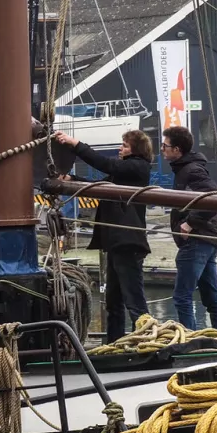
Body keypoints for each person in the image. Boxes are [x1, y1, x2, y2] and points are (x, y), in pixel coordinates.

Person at [54, 128, 153, 342]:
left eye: (125, 145)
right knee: (114, 300)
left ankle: (148, 339)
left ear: (136, 150)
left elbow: (105, 164)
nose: (120, 148)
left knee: (133, 298)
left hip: (127, 241)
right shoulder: (124, 172)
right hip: (117, 242)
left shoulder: (137, 167)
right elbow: (99, 186)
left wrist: (75, 143)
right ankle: (114, 342)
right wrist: (72, 179)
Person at [162, 125, 217, 332]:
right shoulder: (186, 168)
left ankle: (189, 342)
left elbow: (213, 198)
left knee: (182, 297)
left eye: (164, 146)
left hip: (197, 240)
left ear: (177, 149)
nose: (162, 149)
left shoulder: (191, 170)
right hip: (206, 241)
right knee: (212, 298)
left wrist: (189, 222)